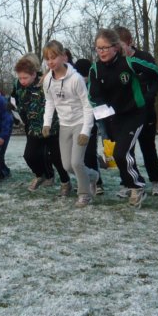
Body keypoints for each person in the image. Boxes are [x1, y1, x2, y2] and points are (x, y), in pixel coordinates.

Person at [88, 28, 158, 209]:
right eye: (99, 48)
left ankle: (137, 187)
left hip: (135, 114)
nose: (102, 52)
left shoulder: (129, 63)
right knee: (118, 154)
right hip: (114, 117)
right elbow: (93, 96)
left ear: (115, 47)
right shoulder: (95, 70)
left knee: (122, 152)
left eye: (106, 48)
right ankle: (133, 184)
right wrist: (103, 111)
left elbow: (155, 71)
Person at [42, 40, 99, 207]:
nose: (50, 61)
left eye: (53, 57)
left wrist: (85, 131)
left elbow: (87, 105)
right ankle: (93, 176)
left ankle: (84, 194)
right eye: (47, 58)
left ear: (63, 57)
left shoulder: (76, 79)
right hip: (64, 125)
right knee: (67, 165)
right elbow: (50, 102)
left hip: (80, 123)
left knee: (76, 162)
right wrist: (47, 123)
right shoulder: (48, 81)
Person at [114, 26, 158, 196]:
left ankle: (155, 181)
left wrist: (146, 99)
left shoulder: (144, 58)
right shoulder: (115, 62)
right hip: (124, 114)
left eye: (120, 45)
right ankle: (128, 182)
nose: (117, 49)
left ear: (129, 43)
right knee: (125, 150)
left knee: (148, 147)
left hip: (145, 111)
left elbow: (156, 81)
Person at [12, 53, 71, 193]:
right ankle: (41, 175)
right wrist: (15, 110)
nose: (22, 81)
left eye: (25, 78)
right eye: (20, 78)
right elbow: (21, 105)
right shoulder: (21, 88)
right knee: (29, 156)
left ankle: (65, 182)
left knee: (57, 157)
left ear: (34, 74)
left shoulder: (46, 83)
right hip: (33, 128)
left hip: (51, 127)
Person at [73, 58, 104, 195]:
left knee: (90, 154)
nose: (84, 79)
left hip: (91, 125)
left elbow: (97, 103)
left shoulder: (94, 84)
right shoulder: (74, 84)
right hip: (75, 124)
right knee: (78, 157)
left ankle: (98, 182)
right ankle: (82, 181)